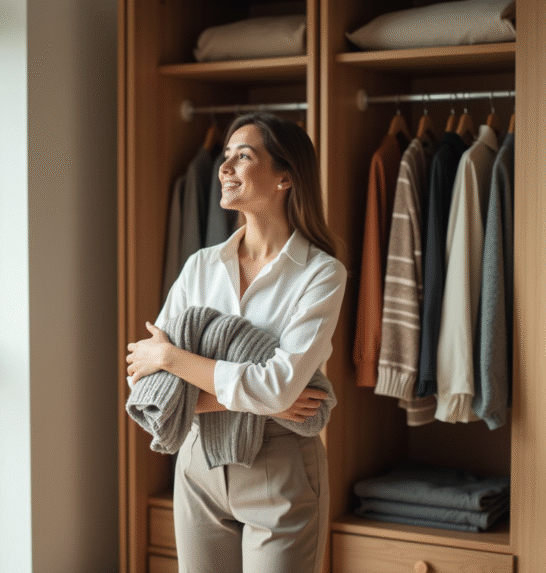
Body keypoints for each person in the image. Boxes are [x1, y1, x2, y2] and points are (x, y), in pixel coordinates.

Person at [126, 112, 347, 573]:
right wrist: (260, 400)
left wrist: (172, 357)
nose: (224, 167)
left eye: (242, 156)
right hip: (197, 464)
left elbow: (276, 388)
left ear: (285, 176)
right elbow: (147, 390)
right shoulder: (200, 267)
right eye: (225, 156)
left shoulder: (321, 274)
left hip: (280, 465)